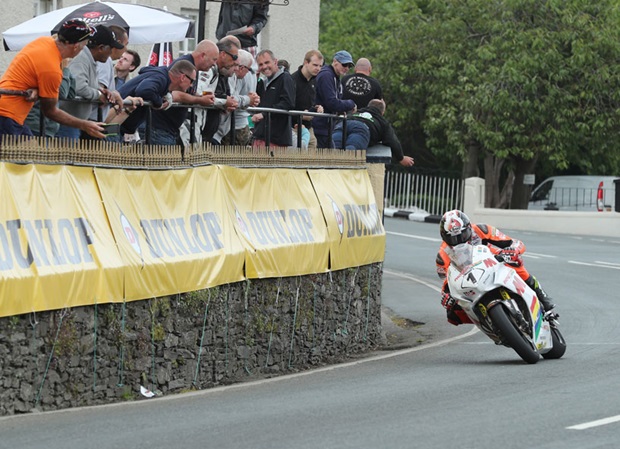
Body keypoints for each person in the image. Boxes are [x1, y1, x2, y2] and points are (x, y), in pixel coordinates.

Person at [436, 209, 556, 326]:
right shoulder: (442, 255)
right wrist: (446, 297)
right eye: (453, 239)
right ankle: (487, 323)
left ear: (469, 228)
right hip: (469, 279)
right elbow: (448, 283)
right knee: (452, 314)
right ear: (444, 237)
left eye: (463, 235)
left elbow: (514, 242)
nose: (459, 241)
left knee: (515, 262)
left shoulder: (481, 229)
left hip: (491, 260)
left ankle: (544, 300)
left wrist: (513, 250)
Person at [0, 19, 105, 139]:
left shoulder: (43, 41)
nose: (83, 49)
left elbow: (33, 73)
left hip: (8, 112)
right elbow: (50, 111)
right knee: (15, 157)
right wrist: (85, 125)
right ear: (76, 47)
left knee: (33, 153)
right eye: (84, 46)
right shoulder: (51, 69)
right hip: (7, 116)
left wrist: (38, 89)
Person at [57, 24, 124, 140]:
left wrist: (100, 90)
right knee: (65, 158)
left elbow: (83, 84)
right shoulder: (82, 59)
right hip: (68, 122)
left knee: (70, 157)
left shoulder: (89, 59)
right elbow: (79, 86)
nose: (111, 52)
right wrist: (98, 95)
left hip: (74, 121)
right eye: (111, 48)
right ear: (101, 47)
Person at [148, 39, 221, 145]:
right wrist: (200, 100)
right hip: (161, 129)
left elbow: (186, 92)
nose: (214, 64)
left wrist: (201, 96)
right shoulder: (185, 65)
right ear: (203, 55)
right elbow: (175, 94)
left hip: (167, 129)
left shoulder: (192, 67)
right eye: (213, 59)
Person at [116, 59, 197, 141]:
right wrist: (159, 102)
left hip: (117, 124)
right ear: (182, 77)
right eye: (192, 81)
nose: (191, 85)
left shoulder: (162, 77)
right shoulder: (162, 78)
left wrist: (165, 95)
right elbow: (144, 90)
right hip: (114, 122)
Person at [333, 99, 414, 167]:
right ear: (382, 112)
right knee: (351, 151)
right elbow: (392, 140)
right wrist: (401, 158)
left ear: (368, 106)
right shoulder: (382, 121)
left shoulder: (356, 112)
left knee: (332, 149)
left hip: (344, 124)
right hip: (361, 128)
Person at [213, 49, 260, 146]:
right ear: (242, 68)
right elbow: (232, 99)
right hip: (226, 127)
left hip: (228, 126)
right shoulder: (229, 76)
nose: (249, 73)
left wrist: (251, 99)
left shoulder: (233, 76)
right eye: (249, 69)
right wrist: (248, 100)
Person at [313, 50, 357, 149]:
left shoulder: (335, 78)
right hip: (320, 128)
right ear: (335, 61)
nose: (346, 68)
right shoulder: (326, 75)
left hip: (326, 128)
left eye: (349, 66)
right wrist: (351, 104)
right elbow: (332, 103)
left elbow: (335, 103)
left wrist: (341, 109)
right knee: (326, 161)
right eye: (344, 64)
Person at [252, 49, 296, 148]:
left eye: (267, 62)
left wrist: (264, 114)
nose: (264, 67)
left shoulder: (285, 78)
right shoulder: (261, 82)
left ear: (275, 61)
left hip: (276, 139)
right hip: (260, 135)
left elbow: (288, 103)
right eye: (261, 64)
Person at [24, 58, 75, 138]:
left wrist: (67, 70)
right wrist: (65, 69)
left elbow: (71, 94)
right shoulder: (46, 68)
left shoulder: (58, 69)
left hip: (49, 126)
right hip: (37, 124)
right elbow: (62, 93)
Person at [291, 50, 324, 150]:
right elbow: (287, 105)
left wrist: (317, 107)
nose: (318, 68)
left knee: (312, 157)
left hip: (309, 127)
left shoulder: (314, 81)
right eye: (315, 65)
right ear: (306, 62)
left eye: (320, 66)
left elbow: (310, 102)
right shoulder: (292, 80)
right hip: (294, 127)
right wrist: (300, 115)